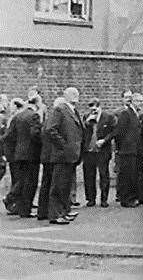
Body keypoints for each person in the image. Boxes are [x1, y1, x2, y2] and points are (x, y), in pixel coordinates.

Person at [47, 87, 83, 225]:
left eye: (77, 93)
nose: (76, 95)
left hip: (71, 155)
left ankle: (64, 211)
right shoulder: (60, 109)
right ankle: (56, 214)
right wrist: (64, 145)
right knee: (58, 186)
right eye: (72, 93)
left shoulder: (73, 111)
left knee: (66, 186)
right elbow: (51, 129)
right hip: (62, 155)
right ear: (65, 96)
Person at [3, 97, 42, 217]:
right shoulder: (34, 116)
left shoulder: (17, 117)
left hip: (18, 154)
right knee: (30, 183)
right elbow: (35, 134)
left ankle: (16, 202)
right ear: (36, 104)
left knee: (22, 180)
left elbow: (9, 135)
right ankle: (25, 209)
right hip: (31, 154)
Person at [101, 90, 141, 207]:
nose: (140, 103)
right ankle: (126, 199)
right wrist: (120, 146)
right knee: (126, 176)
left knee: (132, 174)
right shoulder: (126, 113)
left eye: (141, 101)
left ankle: (131, 198)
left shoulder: (135, 114)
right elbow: (119, 131)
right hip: (126, 150)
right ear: (132, 102)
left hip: (133, 149)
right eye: (138, 101)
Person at [82, 98, 115, 207]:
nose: (93, 110)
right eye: (91, 108)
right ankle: (91, 199)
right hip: (89, 151)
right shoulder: (87, 117)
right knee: (89, 175)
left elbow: (113, 132)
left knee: (103, 174)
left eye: (95, 107)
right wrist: (87, 123)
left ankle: (104, 199)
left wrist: (104, 140)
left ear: (99, 106)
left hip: (102, 151)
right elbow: (83, 132)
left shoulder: (108, 117)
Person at [37, 97, 65, 220]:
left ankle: (43, 211)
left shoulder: (48, 119)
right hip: (51, 156)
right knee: (52, 184)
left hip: (46, 155)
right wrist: (62, 145)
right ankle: (50, 211)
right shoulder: (54, 119)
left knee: (46, 183)